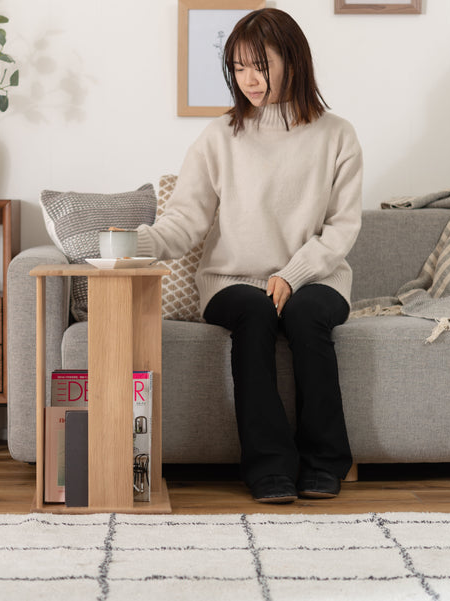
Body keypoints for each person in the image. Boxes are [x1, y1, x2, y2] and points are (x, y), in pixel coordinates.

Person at [135, 8, 363, 503]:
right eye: (238, 68)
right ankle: (269, 469)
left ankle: (324, 463)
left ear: (293, 60)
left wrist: (293, 274)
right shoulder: (219, 137)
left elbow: (342, 227)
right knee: (257, 312)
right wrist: (137, 245)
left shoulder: (337, 135)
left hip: (317, 279)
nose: (248, 79)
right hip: (231, 281)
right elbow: (185, 221)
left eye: (259, 64)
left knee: (305, 315)